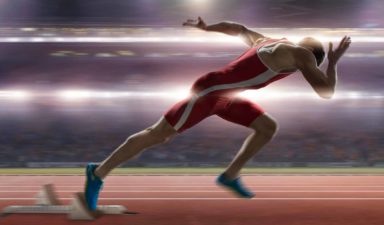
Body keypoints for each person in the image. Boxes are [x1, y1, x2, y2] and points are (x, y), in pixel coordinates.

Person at [84, 17, 351, 210]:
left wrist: (207, 27)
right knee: (159, 134)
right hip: (211, 92)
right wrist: (334, 63)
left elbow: (239, 29)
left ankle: (230, 175)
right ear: (313, 59)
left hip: (226, 97)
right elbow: (326, 92)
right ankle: (98, 172)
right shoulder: (302, 56)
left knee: (267, 126)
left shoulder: (270, 42)